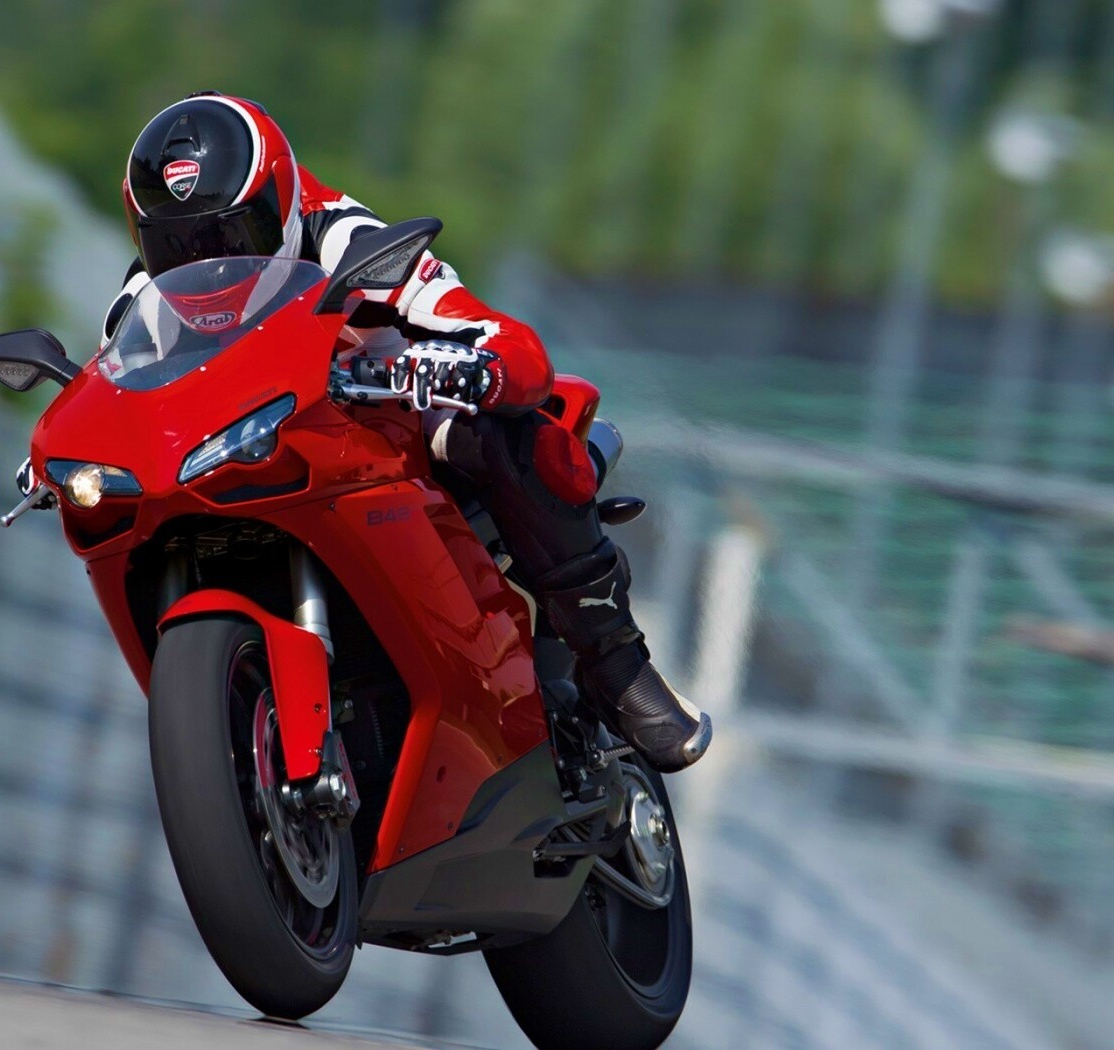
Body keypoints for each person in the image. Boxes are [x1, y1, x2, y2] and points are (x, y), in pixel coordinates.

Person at [104, 91, 710, 772]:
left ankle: (617, 665)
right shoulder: (146, 299)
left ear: (282, 203)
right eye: (177, 248)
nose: (208, 266)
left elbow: (514, 347)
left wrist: (476, 367)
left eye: (233, 237)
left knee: (494, 434)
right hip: (261, 454)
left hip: (385, 425)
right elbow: (113, 391)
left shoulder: (348, 239)